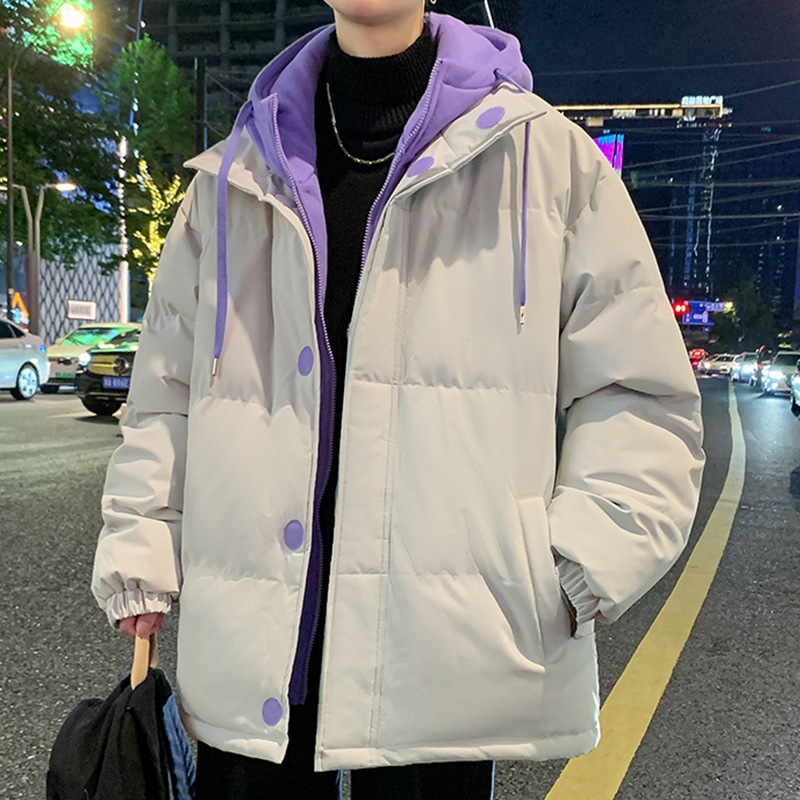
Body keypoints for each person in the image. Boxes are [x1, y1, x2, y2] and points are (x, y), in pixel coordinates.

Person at [91, 1, 705, 798]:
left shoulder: (547, 161)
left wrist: (577, 564)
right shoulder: (234, 175)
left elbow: (640, 391)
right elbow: (166, 393)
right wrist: (141, 544)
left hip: (451, 648)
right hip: (254, 641)